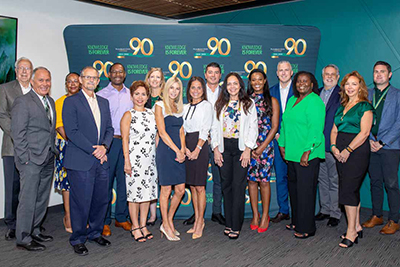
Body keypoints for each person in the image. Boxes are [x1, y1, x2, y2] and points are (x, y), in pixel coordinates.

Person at [63, 66, 114, 255]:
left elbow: (109, 129)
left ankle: (95, 233)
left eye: (95, 77)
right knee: (81, 202)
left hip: (101, 159)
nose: (91, 80)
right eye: (87, 77)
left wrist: (105, 147)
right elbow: (72, 132)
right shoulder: (71, 102)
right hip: (81, 159)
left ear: (98, 80)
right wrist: (95, 150)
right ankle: (78, 238)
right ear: (81, 80)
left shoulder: (103, 102)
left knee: (101, 200)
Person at [11, 67, 57, 251]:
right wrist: (25, 158)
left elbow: (49, 130)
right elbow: (18, 133)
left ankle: (35, 230)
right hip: (30, 159)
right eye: (40, 80)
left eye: (47, 80)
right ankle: (23, 237)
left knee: (41, 198)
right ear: (32, 81)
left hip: (47, 157)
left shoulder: (50, 102)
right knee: (28, 199)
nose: (45, 84)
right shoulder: (22, 102)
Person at [278, 71, 325, 239]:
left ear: (312, 84)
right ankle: (297, 220)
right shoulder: (292, 100)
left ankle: (307, 227)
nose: (301, 84)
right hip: (291, 153)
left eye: (305, 81)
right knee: (295, 190)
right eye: (298, 81)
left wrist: (307, 151)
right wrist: (282, 144)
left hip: (307, 155)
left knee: (306, 191)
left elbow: (316, 129)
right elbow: (285, 124)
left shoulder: (315, 101)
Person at [331, 71, 374, 248]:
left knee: (348, 190)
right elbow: (334, 130)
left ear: (360, 87)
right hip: (339, 150)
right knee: (351, 189)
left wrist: (348, 149)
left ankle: (351, 232)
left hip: (356, 152)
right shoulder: (342, 106)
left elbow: (364, 133)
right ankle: (356, 225)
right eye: (347, 84)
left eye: (354, 84)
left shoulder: (365, 107)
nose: (350, 87)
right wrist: (334, 148)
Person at [212, 72, 258, 239]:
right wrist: (216, 149)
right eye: (229, 84)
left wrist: (248, 149)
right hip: (224, 148)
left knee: (238, 186)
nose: (232, 86)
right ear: (226, 87)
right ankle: (229, 222)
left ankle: (236, 225)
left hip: (241, 149)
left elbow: (254, 128)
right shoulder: (219, 104)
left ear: (240, 86)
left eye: (235, 83)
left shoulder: (248, 103)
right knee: (227, 186)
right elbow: (214, 128)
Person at [184, 62, 226, 226]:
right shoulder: (198, 92)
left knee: (218, 179)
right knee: (195, 182)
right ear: (206, 74)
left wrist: (213, 142)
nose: (213, 75)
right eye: (210, 72)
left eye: (216, 72)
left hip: (218, 141)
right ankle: (197, 215)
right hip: (199, 142)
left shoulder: (226, 93)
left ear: (220, 75)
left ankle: (217, 211)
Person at [363, 61, 400, 235]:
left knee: (391, 184)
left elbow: (399, 123)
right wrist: (370, 139)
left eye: (382, 72)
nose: (378, 75)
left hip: (390, 146)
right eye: (376, 71)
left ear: (389, 74)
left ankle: (394, 219)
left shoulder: (397, 95)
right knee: (375, 181)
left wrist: (382, 142)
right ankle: (377, 215)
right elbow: (362, 119)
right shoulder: (367, 94)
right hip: (370, 144)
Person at [97, 63, 133, 237]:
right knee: (106, 182)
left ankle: (121, 217)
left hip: (127, 143)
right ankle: (104, 221)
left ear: (124, 74)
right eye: (114, 72)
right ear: (109, 74)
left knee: (124, 182)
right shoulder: (100, 95)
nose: (117, 74)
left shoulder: (131, 95)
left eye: (120, 71)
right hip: (108, 143)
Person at [0, 57, 33, 241]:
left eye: (27, 68)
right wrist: (19, 134)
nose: (23, 71)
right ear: (15, 70)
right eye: (20, 68)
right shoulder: (5, 89)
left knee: (30, 188)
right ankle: (12, 225)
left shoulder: (37, 89)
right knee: (13, 188)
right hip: (13, 147)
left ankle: (29, 224)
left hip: (34, 149)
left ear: (31, 71)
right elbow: (2, 115)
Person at [121, 81, 157, 242]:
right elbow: (125, 140)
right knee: (134, 195)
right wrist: (127, 162)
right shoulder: (128, 115)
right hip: (134, 160)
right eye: (137, 94)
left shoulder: (152, 114)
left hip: (150, 161)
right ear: (132, 96)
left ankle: (143, 225)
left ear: (148, 96)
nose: (140, 97)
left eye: (143, 94)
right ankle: (135, 226)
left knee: (147, 194)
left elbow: (156, 136)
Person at [246, 69, 279, 233]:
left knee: (264, 182)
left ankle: (265, 215)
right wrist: (249, 147)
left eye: (260, 79)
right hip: (248, 148)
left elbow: (274, 127)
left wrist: (261, 147)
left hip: (265, 147)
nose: (257, 82)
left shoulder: (272, 100)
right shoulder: (245, 101)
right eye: (253, 80)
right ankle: (255, 215)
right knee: (251, 181)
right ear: (250, 82)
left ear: (265, 80)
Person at [155, 77, 186, 241]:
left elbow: (181, 131)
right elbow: (162, 131)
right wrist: (176, 150)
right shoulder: (159, 105)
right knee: (166, 190)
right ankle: (166, 224)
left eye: (177, 88)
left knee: (180, 189)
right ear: (166, 89)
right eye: (171, 88)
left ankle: (169, 220)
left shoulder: (179, 107)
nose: (174, 91)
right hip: (166, 151)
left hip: (178, 151)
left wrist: (182, 150)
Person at [183, 76, 213, 239]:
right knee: (193, 186)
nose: (195, 90)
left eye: (199, 88)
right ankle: (196, 220)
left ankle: (200, 221)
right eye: (193, 88)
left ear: (203, 90)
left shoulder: (207, 106)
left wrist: (197, 149)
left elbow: (205, 128)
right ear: (189, 90)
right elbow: (182, 129)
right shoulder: (185, 107)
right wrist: (185, 148)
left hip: (200, 146)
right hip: (187, 144)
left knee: (200, 187)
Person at [315, 64, 342, 227]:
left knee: (335, 180)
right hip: (317, 146)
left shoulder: (343, 94)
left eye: (333, 74)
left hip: (333, 145)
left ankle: (335, 212)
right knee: (322, 179)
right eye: (327, 74)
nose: (329, 77)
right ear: (322, 75)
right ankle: (324, 209)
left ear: (338, 77)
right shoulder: (315, 93)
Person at [54, 72, 80, 233]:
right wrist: (73, 141)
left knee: (81, 182)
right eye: (69, 81)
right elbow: (59, 125)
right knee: (67, 182)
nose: (72, 84)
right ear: (66, 84)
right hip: (66, 145)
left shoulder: (85, 100)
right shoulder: (60, 102)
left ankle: (80, 216)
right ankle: (68, 216)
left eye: (75, 81)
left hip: (82, 146)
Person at [269, 61, 293, 223]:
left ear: (292, 72)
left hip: (297, 141)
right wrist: (277, 134)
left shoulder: (299, 90)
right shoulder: (271, 92)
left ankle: (298, 210)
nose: (283, 73)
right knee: (281, 176)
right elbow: (267, 116)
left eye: (286, 70)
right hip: (277, 141)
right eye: (280, 70)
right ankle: (283, 210)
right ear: (277, 73)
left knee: (297, 176)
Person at [144, 67, 165, 226]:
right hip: (143, 144)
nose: (155, 80)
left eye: (158, 77)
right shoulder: (142, 96)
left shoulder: (166, 97)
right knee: (148, 179)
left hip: (162, 142)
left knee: (162, 179)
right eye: (152, 76)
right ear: (148, 78)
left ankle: (165, 213)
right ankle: (152, 215)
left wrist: (159, 138)